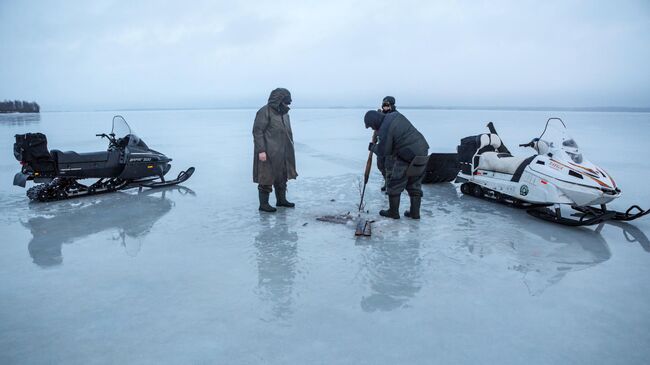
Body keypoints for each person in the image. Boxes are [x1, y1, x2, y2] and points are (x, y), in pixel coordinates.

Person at [364, 109, 429, 219]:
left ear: (374, 121)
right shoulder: (394, 115)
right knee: (414, 184)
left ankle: (393, 212)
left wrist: (373, 147)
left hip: (407, 154)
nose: (373, 129)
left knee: (395, 184)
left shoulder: (385, 127)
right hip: (423, 150)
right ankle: (415, 213)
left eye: (371, 126)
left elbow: (385, 151)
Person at [253, 88, 298, 212]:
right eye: (285, 101)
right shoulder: (264, 111)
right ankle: (263, 204)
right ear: (278, 99)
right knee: (266, 177)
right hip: (268, 151)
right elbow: (258, 132)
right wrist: (261, 150)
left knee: (282, 176)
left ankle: (281, 200)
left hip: (283, 151)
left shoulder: (284, 113)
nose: (287, 104)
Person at [376, 96, 397, 192]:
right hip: (382, 144)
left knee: (389, 167)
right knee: (380, 165)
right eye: (384, 104)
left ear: (392, 105)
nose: (385, 106)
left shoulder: (395, 115)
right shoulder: (381, 115)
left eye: (387, 104)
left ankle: (390, 186)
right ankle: (386, 182)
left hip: (391, 146)